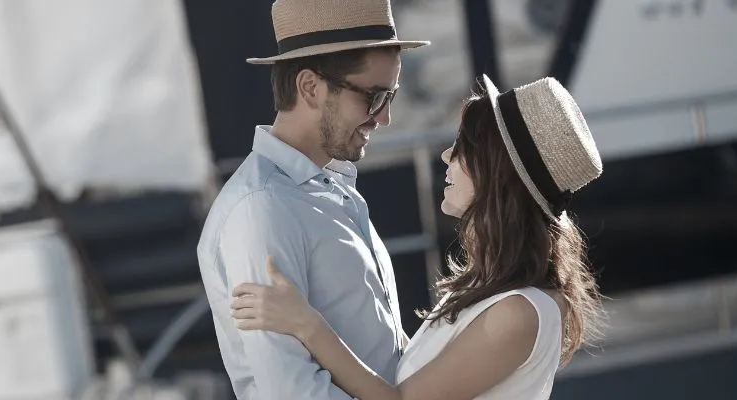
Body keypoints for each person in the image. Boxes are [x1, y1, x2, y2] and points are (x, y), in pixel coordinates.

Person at [229, 74, 606, 400]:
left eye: (463, 148)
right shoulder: (496, 292)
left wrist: (306, 324)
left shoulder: (518, 312)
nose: (446, 156)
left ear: (497, 174)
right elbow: (425, 379)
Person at [195, 0, 430, 398]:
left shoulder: (330, 188)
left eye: (390, 97)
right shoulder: (262, 208)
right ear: (310, 87)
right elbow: (290, 391)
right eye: (374, 97)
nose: (384, 118)